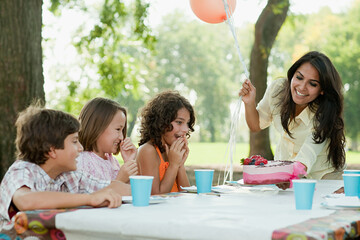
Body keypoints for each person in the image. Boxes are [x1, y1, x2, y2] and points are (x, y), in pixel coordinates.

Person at [0, 104, 131, 225]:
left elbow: (112, 188)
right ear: (52, 150)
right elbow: (26, 201)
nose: (80, 148)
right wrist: (89, 198)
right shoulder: (21, 171)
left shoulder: (69, 175)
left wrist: (143, 192)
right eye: (74, 141)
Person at [239, 51, 346, 181]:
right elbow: (256, 125)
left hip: (324, 178)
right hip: (289, 173)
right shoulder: (277, 90)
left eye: (312, 84)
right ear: (292, 75)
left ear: (322, 89)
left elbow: (305, 160)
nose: (302, 87)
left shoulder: (324, 114)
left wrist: (281, 176)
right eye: (299, 78)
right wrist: (249, 102)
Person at [136, 90, 196, 194]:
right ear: (161, 122)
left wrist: (180, 165)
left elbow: (186, 193)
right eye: (179, 122)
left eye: (187, 123)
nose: (186, 129)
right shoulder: (148, 151)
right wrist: (173, 165)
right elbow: (157, 195)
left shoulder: (171, 151)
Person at [77, 97, 138, 182]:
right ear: (97, 127)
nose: (121, 137)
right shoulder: (83, 162)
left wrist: (128, 162)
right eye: (118, 129)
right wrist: (120, 180)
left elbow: (125, 192)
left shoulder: (112, 161)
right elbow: (93, 195)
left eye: (122, 130)